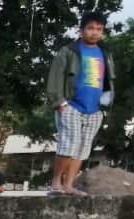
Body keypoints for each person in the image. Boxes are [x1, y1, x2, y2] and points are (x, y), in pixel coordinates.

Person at [47, 12, 116, 196]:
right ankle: (56, 183)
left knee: (83, 148)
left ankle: (69, 185)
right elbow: (55, 76)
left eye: (99, 29)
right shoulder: (69, 51)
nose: (95, 32)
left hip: (95, 110)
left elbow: (109, 81)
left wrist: (104, 108)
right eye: (91, 28)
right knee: (69, 145)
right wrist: (59, 102)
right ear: (82, 30)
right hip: (71, 105)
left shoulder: (105, 53)